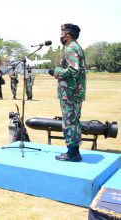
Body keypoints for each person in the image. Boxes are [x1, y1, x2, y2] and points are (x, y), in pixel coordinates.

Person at [49, 23, 86, 162]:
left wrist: (57, 72)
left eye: (61, 33)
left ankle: (72, 154)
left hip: (69, 92)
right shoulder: (77, 47)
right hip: (75, 92)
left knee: (69, 122)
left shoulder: (71, 48)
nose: (60, 36)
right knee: (74, 121)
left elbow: (73, 70)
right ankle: (74, 152)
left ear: (67, 35)